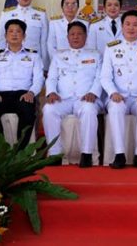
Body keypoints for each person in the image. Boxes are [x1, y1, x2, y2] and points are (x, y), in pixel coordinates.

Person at [101, 10, 137, 169]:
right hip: (119, 96)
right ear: (122, 26)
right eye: (127, 24)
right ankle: (119, 155)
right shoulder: (111, 48)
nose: (131, 28)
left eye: (135, 25)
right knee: (115, 108)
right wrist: (113, 92)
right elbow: (105, 77)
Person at [43, 20, 102, 168]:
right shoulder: (58, 56)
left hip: (85, 98)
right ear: (67, 37)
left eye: (79, 34)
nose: (76, 37)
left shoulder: (96, 55)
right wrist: (51, 92)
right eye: (72, 34)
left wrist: (93, 93)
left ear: (86, 36)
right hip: (63, 99)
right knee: (48, 109)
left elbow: (100, 78)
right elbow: (52, 78)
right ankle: (55, 154)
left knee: (89, 110)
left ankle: (86, 154)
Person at [0, 19, 44, 146]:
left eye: (18, 31)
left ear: (24, 36)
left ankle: (21, 150)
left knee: (28, 112)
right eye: (11, 31)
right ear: (5, 36)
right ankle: (0, 148)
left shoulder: (34, 56)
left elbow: (39, 79)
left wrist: (31, 93)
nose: (14, 34)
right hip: (0, 95)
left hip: (24, 95)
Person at [0, 0, 49, 70]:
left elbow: (44, 43)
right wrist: (0, 62)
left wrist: (45, 67)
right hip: (11, 63)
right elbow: (0, 40)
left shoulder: (41, 15)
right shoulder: (6, 14)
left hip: (34, 63)